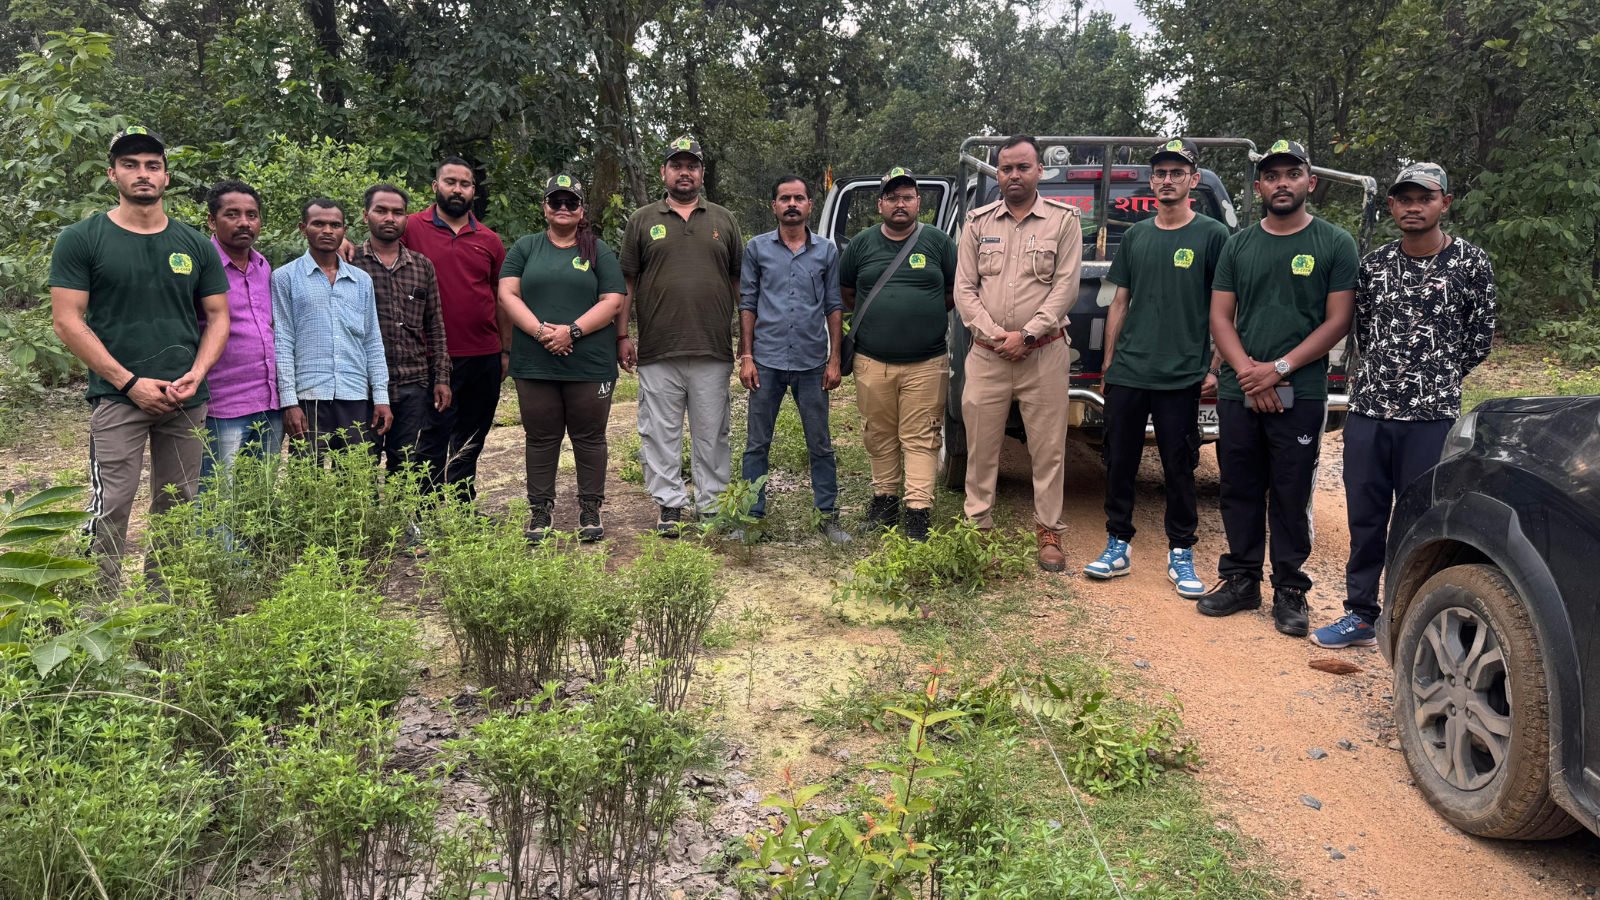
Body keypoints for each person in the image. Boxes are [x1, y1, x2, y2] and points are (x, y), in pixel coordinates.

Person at [1312, 163, 1496, 649]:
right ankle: (1360, 614)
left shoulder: (1471, 264)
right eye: (1404, 199)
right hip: (1370, 413)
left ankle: (1412, 618)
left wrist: (1436, 379)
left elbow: (1479, 339)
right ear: (1391, 205)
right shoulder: (1373, 266)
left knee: (1423, 521)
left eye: (1425, 198)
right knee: (1365, 518)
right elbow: (1364, 333)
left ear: (1445, 203)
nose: (1414, 207)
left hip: (1431, 418)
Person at [48, 127, 231, 583]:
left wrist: (198, 371)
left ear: (167, 177)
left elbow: (218, 316)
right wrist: (128, 382)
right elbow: (67, 321)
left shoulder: (193, 245)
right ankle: (97, 616)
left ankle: (160, 613)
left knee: (178, 504)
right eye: (130, 165)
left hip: (184, 398)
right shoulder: (82, 238)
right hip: (116, 398)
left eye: (152, 165)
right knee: (111, 502)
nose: (142, 174)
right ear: (113, 174)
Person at [1200, 140, 1358, 638]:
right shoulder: (1238, 244)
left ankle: (1290, 590)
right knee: (1238, 487)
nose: (1281, 183)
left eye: (1292, 174)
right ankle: (1241, 580)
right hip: (1239, 388)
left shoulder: (1335, 243)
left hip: (1303, 391)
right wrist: (1250, 372)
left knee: (1290, 492)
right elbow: (1220, 317)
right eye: (1272, 176)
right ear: (1259, 186)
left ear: (1310, 182)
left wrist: (1280, 369)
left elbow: (1338, 321)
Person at [1085, 139, 1230, 597]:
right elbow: (1119, 301)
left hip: (1182, 374)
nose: (1168, 179)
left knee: (1179, 466)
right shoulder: (1137, 236)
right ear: (1153, 182)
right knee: (1120, 461)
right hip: (1129, 371)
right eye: (1161, 173)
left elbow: (1227, 306)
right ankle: (1117, 543)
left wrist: (1215, 363)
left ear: (1193, 178)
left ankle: (1181, 552)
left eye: (1176, 172)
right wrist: (1109, 362)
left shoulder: (1212, 236)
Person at [953, 135, 1083, 572]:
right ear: (997, 173)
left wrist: (1026, 335)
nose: (1013, 175)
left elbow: (1065, 287)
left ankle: (1048, 531)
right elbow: (965, 288)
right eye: (1005, 168)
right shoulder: (976, 222)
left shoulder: (1063, 221)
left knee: (1048, 450)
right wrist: (995, 336)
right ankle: (978, 526)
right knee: (981, 446)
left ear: (1038, 171)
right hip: (988, 355)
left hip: (1043, 354)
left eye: (1022, 167)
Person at [618, 136, 744, 535]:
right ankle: (669, 506)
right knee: (660, 434)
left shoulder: (724, 220)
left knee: (712, 434)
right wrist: (622, 335)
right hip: (658, 349)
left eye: (692, 165)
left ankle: (710, 506)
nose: (684, 172)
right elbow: (627, 283)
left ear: (702, 173)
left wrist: (747, 340)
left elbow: (741, 283)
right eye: (677, 165)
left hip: (713, 347)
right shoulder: (641, 220)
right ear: (664, 173)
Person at [498, 175, 626, 543]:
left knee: (589, 437)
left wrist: (570, 332)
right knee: (540, 437)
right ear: (545, 208)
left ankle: (590, 508)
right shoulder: (525, 248)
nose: (564, 208)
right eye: (556, 202)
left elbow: (613, 300)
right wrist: (541, 333)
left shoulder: (597, 251)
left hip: (589, 363)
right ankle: (540, 511)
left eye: (571, 202)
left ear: (581, 209)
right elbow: (508, 295)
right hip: (536, 363)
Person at [841, 167, 958, 543]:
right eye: (892, 197)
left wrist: (917, 315)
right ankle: (884, 500)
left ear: (918, 203)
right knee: (879, 434)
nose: (900, 203)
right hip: (872, 361)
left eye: (907, 196)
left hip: (927, 362)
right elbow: (846, 295)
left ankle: (918, 511)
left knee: (922, 437)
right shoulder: (861, 244)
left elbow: (955, 292)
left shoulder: (938, 242)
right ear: (880, 204)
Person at [736, 175, 850, 544]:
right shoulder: (756, 248)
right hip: (766, 361)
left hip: (812, 361)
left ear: (810, 205)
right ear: (774, 205)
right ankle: (752, 519)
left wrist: (835, 359)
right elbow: (748, 302)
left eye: (799, 198)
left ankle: (828, 519)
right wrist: (746, 355)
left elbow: (834, 304)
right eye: (784, 198)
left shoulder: (827, 251)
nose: (791, 204)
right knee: (757, 444)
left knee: (820, 444)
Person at [399, 158, 507, 500]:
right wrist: (346, 248)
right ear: (436, 187)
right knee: (433, 434)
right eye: (450, 182)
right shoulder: (410, 228)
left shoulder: (489, 240)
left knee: (473, 435)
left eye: (465, 183)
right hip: (431, 356)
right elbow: (377, 249)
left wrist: (506, 351)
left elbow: (501, 297)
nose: (457, 189)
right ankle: (425, 509)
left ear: (473, 190)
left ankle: (462, 505)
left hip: (484, 354)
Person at [273, 198, 392, 460]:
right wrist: (290, 402)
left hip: (354, 393)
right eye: (319, 224)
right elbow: (282, 340)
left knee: (354, 477)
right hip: (309, 395)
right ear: (303, 228)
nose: (328, 230)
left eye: (335, 225)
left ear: (344, 231)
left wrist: (381, 397)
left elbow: (372, 341)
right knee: (306, 479)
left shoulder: (361, 281)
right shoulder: (285, 277)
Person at [348, 183, 451, 476]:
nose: (389, 218)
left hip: (412, 383)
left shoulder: (421, 266)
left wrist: (442, 377)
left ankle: (403, 522)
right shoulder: (349, 262)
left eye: (398, 212)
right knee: (360, 466)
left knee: (404, 463)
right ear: (365, 215)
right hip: (362, 386)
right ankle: (364, 523)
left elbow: (435, 325)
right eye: (381, 210)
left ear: (406, 219)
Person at [201, 179, 282, 481]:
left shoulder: (263, 266)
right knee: (219, 500)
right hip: (221, 407)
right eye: (232, 214)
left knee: (259, 499)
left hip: (269, 403)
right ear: (212, 220)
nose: (244, 222)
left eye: (252, 215)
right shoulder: (200, 267)